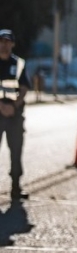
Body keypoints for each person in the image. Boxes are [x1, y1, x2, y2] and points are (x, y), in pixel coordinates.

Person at [0, 29, 31, 200]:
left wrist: (13, 106)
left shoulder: (19, 64)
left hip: (14, 115)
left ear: (12, 44)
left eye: (7, 42)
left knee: (16, 151)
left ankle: (16, 188)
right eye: (1, 41)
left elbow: (24, 88)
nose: (4, 45)